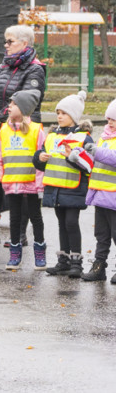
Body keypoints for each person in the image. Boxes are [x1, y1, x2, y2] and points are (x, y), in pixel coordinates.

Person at [0, 24, 46, 245]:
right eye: (5, 41)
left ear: (25, 43)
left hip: (22, 130)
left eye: (10, 41)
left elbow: (25, 100)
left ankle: (21, 234)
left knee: (21, 181)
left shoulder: (35, 69)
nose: (6, 45)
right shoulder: (0, 67)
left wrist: (0, 117)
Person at [0, 90, 46, 270]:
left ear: (24, 108)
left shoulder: (36, 130)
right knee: (14, 218)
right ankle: (14, 252)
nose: (9, 107)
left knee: (36, 217)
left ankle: (40, 250)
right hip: (12, 183)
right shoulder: (3, 131)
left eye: (13, 104)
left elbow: (42, 159)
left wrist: (41, 185)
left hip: (31, 184)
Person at [34, 92, 93, 277]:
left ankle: (76, 262)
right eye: (58, 112)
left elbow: (88, 166)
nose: (59, 116)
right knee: (62, 224)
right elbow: (39, 160)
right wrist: (39, 158)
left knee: (71, 223)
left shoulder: (84, 138)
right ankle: (64, 261)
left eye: (64, 113)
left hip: (74, 189)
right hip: (55, 189)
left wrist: (72, 157)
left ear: (74, 116)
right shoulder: (52, 136)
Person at [82, 99, 116, 283]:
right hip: (102, 194)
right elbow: (96, 161)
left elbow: (112, 157)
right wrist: (80, 154)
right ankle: (99, 267)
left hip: (114, 196)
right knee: (101, 234)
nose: (110, 122)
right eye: (108, 118)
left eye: (114, 119)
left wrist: (96, 151)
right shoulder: (104, 137)